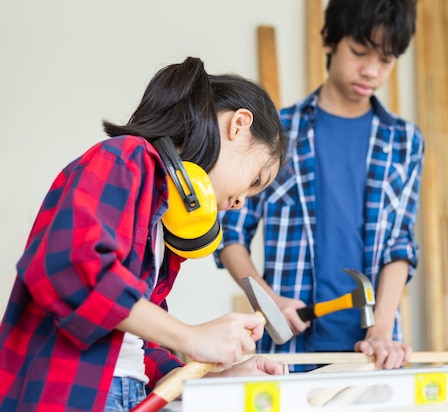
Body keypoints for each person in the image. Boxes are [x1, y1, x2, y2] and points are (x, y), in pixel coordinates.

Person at [0, 56, 289, 412]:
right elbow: (75, 268)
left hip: (123, 394)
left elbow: (138, 339)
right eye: (256, 180)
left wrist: (210, 379)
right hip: (74, 396)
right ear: (239, 125)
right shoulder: (126, 157)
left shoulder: (161, 217)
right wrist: (191, 336)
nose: (242, 202)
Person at [216, 0, 424, 371]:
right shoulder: (278, 133)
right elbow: (230, 233)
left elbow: (400, 244)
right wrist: (268, 300)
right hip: (292, 349)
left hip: (374, 352)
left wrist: (382, 327)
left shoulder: (405, 141)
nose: (371, 71)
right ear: (329, 40)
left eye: (386, 60)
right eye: (359, 52)